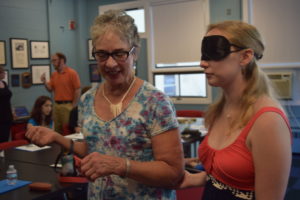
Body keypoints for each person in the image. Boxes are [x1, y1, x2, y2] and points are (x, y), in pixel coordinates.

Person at [26, 10, 184, 200]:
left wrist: (119, 165)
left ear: (136, 52)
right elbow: (94, 149)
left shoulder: (155, 102)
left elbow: (173, 173)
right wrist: (57, 137)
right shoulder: (87, 100)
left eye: (119, 54)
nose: (110, 63)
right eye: (102, 54)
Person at [178, 21, 292, 200]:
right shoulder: (219, 111)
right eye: (204, 53)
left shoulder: (268, 121)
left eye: (215, 51)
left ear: (245, 57)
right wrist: (194, 179)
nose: (202, 63)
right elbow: (227, 175)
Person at [41, 52, 81, 134]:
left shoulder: (72, 73)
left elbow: (78, 89)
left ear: (62, 61)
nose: (53, 63)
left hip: (67, 105)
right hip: (56, 105)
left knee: (67, 130)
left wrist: (73, 105)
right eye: (52, 61)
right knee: (57, 131)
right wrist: (44, 82)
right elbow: (50, 89)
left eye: (54, 60)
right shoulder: (54, 74)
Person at [0, 66, 13, 143]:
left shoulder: (4, 83)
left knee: (5, 139)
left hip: (7, 115)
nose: (4, 73)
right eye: (3, 72)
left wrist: (12, 111)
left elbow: (8, 99)